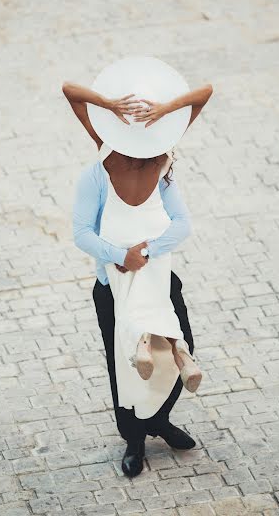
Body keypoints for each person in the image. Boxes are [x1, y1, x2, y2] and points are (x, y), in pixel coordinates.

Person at [64, 62, 213, 477]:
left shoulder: (161, 164)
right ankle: (133, 439)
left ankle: (160, 419)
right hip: (113, 284)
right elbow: (81, 232)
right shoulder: (99, 168)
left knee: (179, 344)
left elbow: (204, 92)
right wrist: (120, 255)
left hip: (159, 277)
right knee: (124, 360)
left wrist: (165, 109)